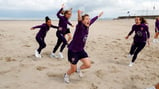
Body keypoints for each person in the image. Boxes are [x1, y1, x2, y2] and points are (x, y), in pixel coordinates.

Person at [63, 10, 103, 83]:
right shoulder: (80, 27)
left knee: (88, 65)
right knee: (73, 69)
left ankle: (79, 69)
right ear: (83, 21)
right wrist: (79, 14)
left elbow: (92, 20)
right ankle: (66, 75)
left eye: (89, 19)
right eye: (87, 19)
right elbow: (79, 20)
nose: (89, 20)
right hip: (73, 51)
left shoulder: (87, 26)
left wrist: (98, 16)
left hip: (81, 50)